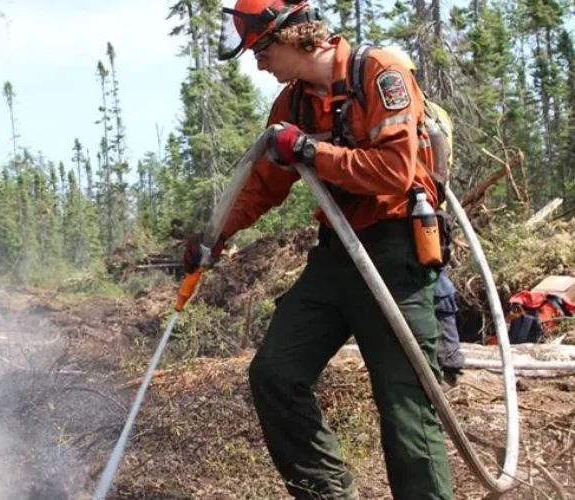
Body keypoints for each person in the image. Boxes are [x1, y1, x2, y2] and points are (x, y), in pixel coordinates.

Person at [183, 1, 455, 498]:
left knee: (405, 407)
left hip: (396, 250)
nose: (259, 64)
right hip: (337, 256)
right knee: (275, 374)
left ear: (292, 37)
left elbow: (394, 171)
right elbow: (262, 185)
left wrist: (310, 150)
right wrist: (213, 235)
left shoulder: (379, 73)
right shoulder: (292, 105)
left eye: (261, 50)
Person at [381, 45, 465, 386]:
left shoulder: (426, 117)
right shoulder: (436, 113)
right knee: (431, 284)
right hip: (427, 214)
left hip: (420, 215)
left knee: (433, 285)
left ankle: (446, 361)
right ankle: (442, 359)